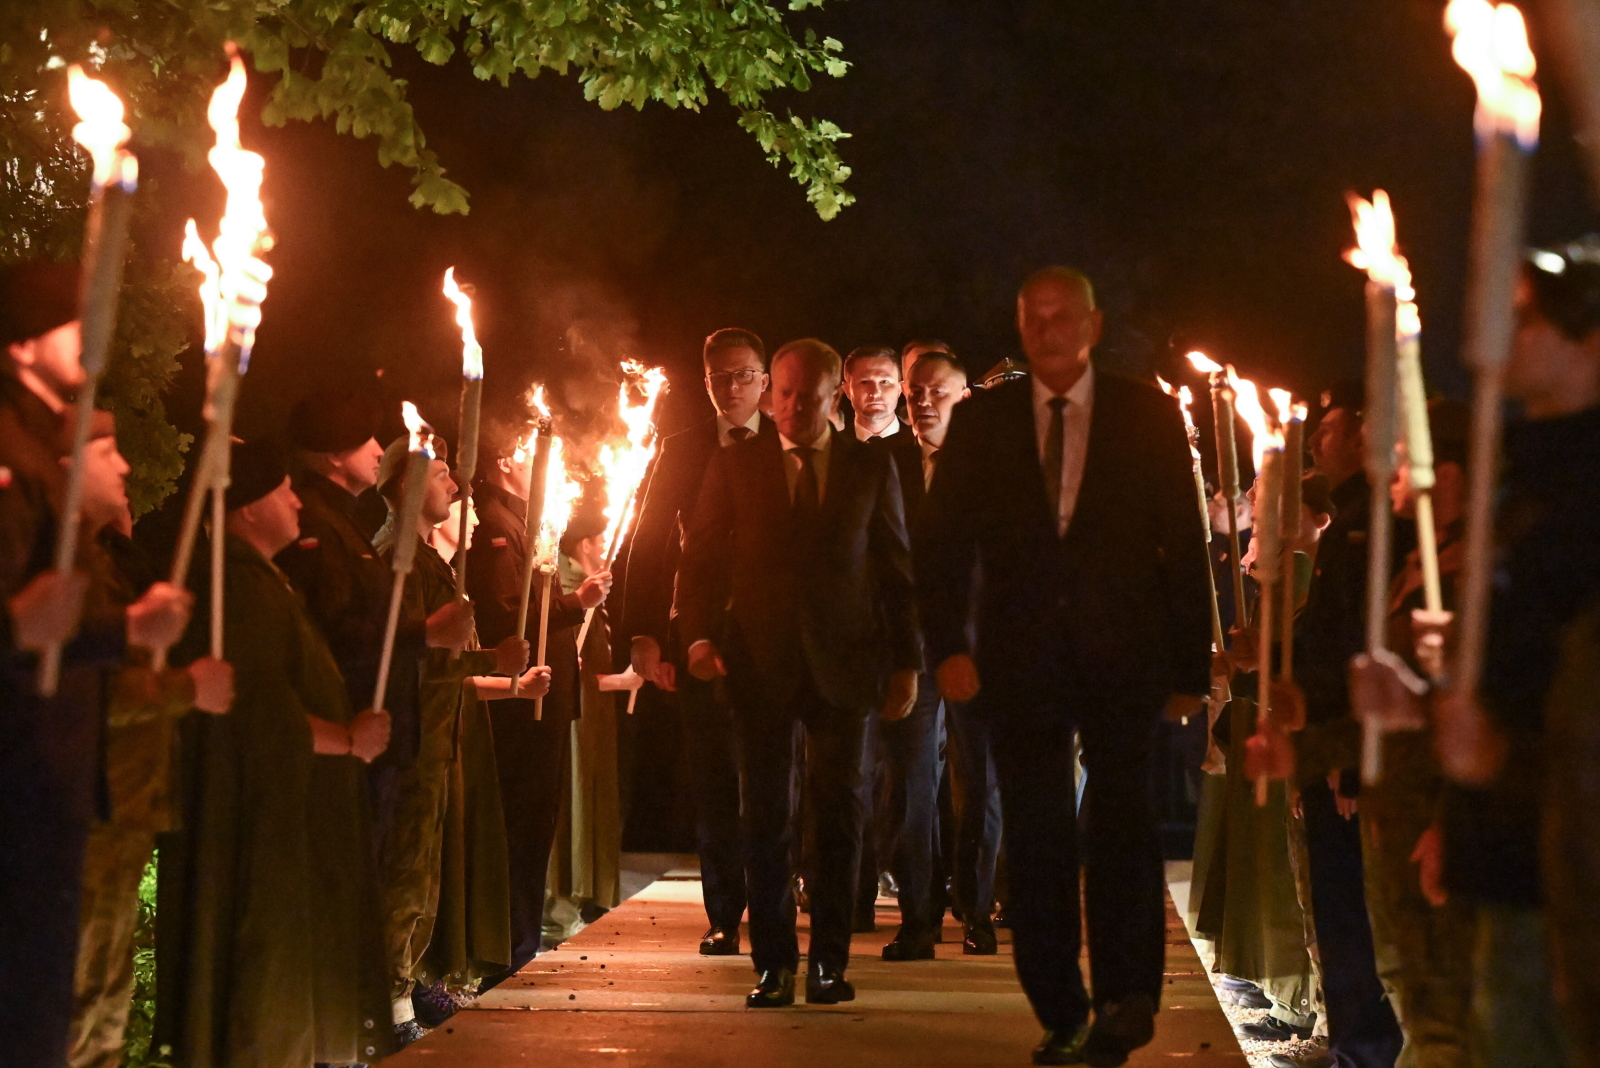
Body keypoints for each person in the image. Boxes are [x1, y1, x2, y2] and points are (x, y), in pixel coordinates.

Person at [916, 267, 1213, 1067]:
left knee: (1122, 824)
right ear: (1020, 327)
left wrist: (1192, 665)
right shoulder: (984, 423)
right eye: (1034, 318)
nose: (1048, 330)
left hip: (1125, 656)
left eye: (1062, 316)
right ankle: (1061, 1005)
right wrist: (947, 645)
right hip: (1019, 660)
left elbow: (1182, 545)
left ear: (1092, 323)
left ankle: (1127, 998)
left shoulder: (1146, 416)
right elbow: (942, 545)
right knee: (1039, 835)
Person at [677, 337, 920, 1008]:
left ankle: (829, 965)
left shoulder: (868, 469)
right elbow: (698, 560)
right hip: (759, 662)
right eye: (779, 393)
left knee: (841, 817)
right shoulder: (738, 464)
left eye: (805, 395)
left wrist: (907, 663)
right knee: (766, 817)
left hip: (845, 664)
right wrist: (696, 637)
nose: (789, 407)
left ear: (832, 393)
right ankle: (774, 964)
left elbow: (897, 573)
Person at [1, 260, 191, 1068]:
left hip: (55, 775)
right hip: (22, 769)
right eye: (75, 322)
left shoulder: (42, 443)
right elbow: (26, 617)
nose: (94, 339)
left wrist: (122, 628)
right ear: (22, 343)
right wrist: (15, 626)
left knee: (48, 1004)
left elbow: (62, 629)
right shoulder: (15, 447)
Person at [156, 441, 394, 1068]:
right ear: (244, 508)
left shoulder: (261, 575)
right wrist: (347, 739)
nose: (296, 499)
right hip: (266, 819)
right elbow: (260, 706)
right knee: (270, 963)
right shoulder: (234, 579)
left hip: (288, 810)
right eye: (280, 488)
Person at [65, 415, 234, 1068]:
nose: (127, 468)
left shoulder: (110, 562)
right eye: (107, 451)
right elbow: (79, 695)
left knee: (105, 996)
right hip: (88, 811)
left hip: (125, 809)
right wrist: (185, 689)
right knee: (76, 998)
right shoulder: (62, 565)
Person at [371, 433, 535, 1039]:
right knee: (403, 876)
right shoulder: (399, 558)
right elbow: (405, 655)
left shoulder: (426, 557)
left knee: (424, 875)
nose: (457, 486)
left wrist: (490, 660)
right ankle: (387, 1008)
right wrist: (488, 656)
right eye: (442, 474)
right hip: (411, 744)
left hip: (436, 742)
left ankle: (407, 989)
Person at [623, 327, 773, 955]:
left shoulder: (789, 444)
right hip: (697, 636)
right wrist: (645, 632)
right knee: (712, 779)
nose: (732, 388)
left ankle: (774, 904)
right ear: (705, 380)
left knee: (769, 780)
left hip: (773, 637)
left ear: (765, 380)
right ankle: (724, 913)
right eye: (720, 377)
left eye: (744, 375)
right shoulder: (682, 449)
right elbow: (649, 538)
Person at [1277, 383, 1404, 1068]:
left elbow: (1360, 642)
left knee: (1354, 910)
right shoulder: (1355, 518)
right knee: (1333, 902)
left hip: (1344, 750)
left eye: (1327, 429)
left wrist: (1347, 754)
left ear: (1361, 435)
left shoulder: (1370, 523)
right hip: (1324, 741)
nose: (1317, 440)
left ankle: (1365, 1045)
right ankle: (1352, 1037)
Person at [1349, 399, 1475, 1068]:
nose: (1390, 470)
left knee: (1441, 999)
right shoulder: (1414, 569)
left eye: (1403, 458)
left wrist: (1448, 818)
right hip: (1392, 812)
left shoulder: (1468, 580)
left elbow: (1466, 710)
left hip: (1430, 818)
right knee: (1405, 980)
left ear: (1447, 473)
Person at [466, 414, 609, 981]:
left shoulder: (527, 523)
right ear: (507, 462)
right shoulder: (497, 524)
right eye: (534, 456)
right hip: (522, 703)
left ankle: (520, 939)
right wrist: (579, 601)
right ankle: (511, 946)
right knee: (520, 826)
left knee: (535, 826)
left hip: (544, 698)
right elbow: (509, 616)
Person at [842, 343, 945, 955]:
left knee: (913, 790)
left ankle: (920, 919)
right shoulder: (869, 459)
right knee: (851, 781)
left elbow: (904, 565)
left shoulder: (918, 463)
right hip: (857, 645)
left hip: (916, 647)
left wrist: (913, 655)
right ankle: (851, 903)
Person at [545, 513, 638, 945]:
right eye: (602, 541)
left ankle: (580, 903)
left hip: (593, 720)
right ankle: (557, 911)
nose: (607, 550)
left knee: (589, 804)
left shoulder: (591, 589)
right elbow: (570, 665)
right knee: (571, 806)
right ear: (584, 544)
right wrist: (619, 681)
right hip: (574, 719)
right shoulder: (564, 587)